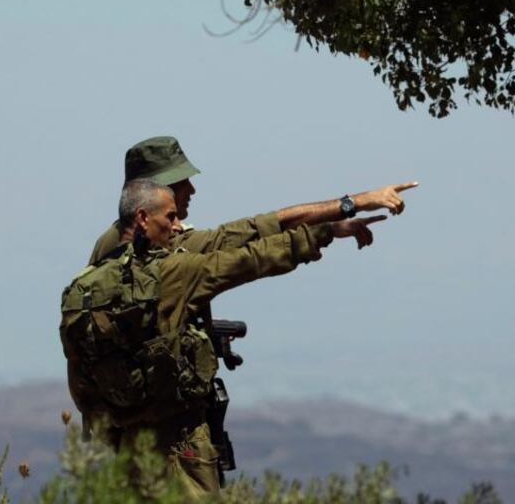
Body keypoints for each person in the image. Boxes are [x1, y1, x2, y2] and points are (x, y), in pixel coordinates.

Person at [61, 180, 391, 498]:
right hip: (180, 442)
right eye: (171, 217)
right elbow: (250, 260)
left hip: (126, 446)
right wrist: (324, 233)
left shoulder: (86, 286)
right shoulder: (172, 272)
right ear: (143, 218)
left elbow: (80, 375)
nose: (178, 226)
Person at [88, 136, 418, 264]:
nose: (191, 191)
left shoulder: (128, 242)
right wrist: (355, 202)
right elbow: (256, 233)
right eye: (180, 183)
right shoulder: (131, 250)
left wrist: (332, 225)